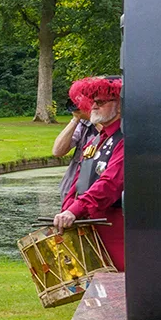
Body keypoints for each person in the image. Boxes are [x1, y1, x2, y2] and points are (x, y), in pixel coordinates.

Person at [53, 77, 124, 270]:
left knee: (117, 291)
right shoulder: (95, 141)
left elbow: (110, 184)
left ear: (119, 106)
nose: (93, 106)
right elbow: (77, 182)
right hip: (92, 231)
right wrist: (66, 210)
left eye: (100, 102)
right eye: (93, 102)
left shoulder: (125, 139)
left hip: (116, 232)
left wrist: (75, 211)